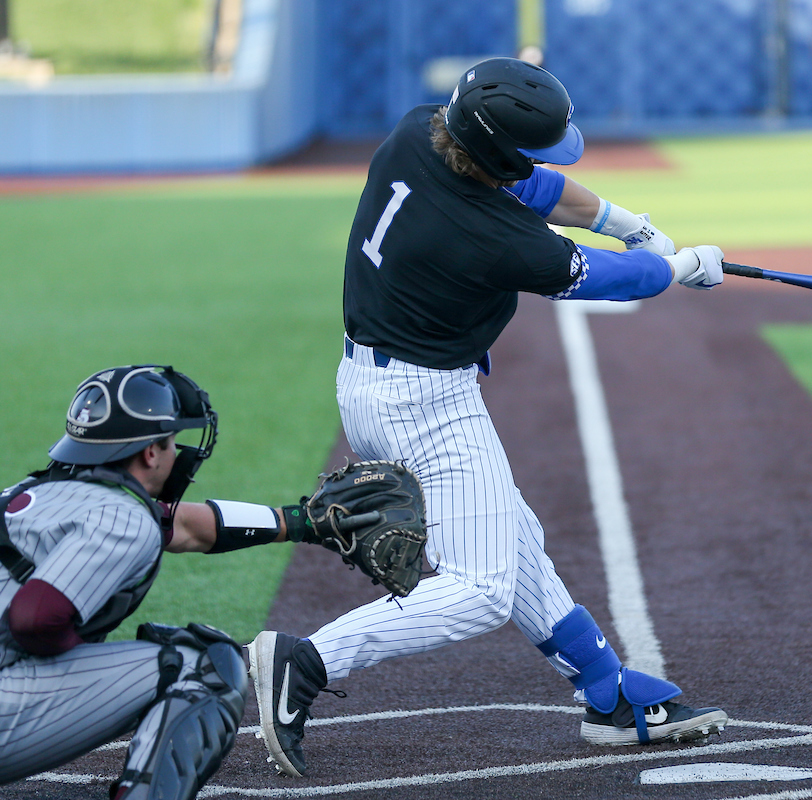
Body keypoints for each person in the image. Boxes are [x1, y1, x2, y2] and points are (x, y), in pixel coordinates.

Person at [248, 57, 729, 778]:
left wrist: (628, 222)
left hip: (377, 382)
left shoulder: (420, 132)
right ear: (495, 149)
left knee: (515, 538)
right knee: (480, 591)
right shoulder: (487, 234)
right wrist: (680, 265)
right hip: (425, 403)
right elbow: (595, 277)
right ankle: (306, 661)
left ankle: (606, 694)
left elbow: (537, 187)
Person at [0, 365, 314, 799]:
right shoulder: (123, 518)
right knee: (205, 667)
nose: (177, 453)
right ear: (151, 453)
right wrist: (76, 657)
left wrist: (298, 522)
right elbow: (33, 618)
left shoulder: (34, 495)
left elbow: (183, 527)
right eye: (170, 442)